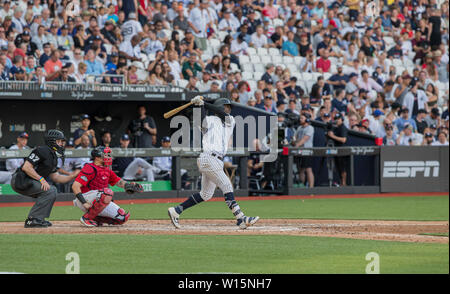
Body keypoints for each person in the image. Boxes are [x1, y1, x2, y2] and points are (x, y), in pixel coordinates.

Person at [168, 97, 259, 230]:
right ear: (221, 106)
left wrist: (204, 103)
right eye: (226, 106)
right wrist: (199, 106)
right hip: (208, 158)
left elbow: (223, 114)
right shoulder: (209, 120)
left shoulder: (230, 121)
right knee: (226, 184)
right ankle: (241, 218)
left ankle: (176, 210)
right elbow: (201, 119)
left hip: (216, 161)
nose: (228, 109)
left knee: (206, 194)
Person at [10, 130, 79, 228]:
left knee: (52, 190)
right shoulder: (42, 150)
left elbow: (56, 177)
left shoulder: (53, 156)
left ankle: (39, 219)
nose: (61, 144)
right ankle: (32, 219)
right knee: (50, 190)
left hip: (29, 181)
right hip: (20, 180)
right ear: (52, 141)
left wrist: (73, 176)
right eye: (59, 141)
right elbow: (26, 167)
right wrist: (41, 179)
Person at [72, 146, 143, 227]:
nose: (108, 157)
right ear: (97, 157)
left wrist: (128, 185)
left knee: (122, 217)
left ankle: (96, 219)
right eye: (105, 155)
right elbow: (75, 186)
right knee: (107, 192)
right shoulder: (89, 167)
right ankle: (87, 218)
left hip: (100, 198)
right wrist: (84, 202)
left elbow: (119, 182)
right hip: (85, 198)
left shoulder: (107, 169)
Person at [326, 113, 348, 186]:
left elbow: (343, 140)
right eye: (336, 119)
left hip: (342, 150)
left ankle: (344, 184)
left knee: (342, 168)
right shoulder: (336, 127)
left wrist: (333, 136)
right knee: (338, 168)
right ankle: (341, 183)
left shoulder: (343, 127)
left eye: (338, 119)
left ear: (341, 119)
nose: (337, 121)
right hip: (336, 150)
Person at [293, 113, 314, 188]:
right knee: (301, 170)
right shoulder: (299, 128)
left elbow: (305, 139)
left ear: (307, 119)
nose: (300, 119)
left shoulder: (310, 128)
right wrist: (293, 141)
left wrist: (296, 145)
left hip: (307, 150)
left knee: (308, 169)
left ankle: (311, 188)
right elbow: (295, 137)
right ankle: (302, 187)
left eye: (302, 118)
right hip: (299, 151)